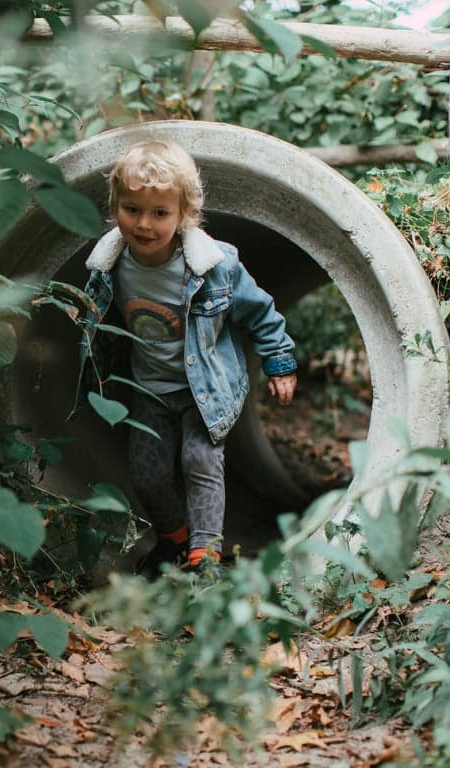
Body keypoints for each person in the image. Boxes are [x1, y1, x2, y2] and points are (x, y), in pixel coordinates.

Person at [75, 139, 297, 576]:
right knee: (147, 475)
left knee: (200, 463)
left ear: (183, 216)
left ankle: (205, 556)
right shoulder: (108, 265)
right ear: (114, 205)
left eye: (160, 213)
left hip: (206, 390)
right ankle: (174, 539)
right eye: (132, 209)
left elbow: (260, 311)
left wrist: (279, 360)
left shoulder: (214, 267)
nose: (144, 224)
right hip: (149, 388)